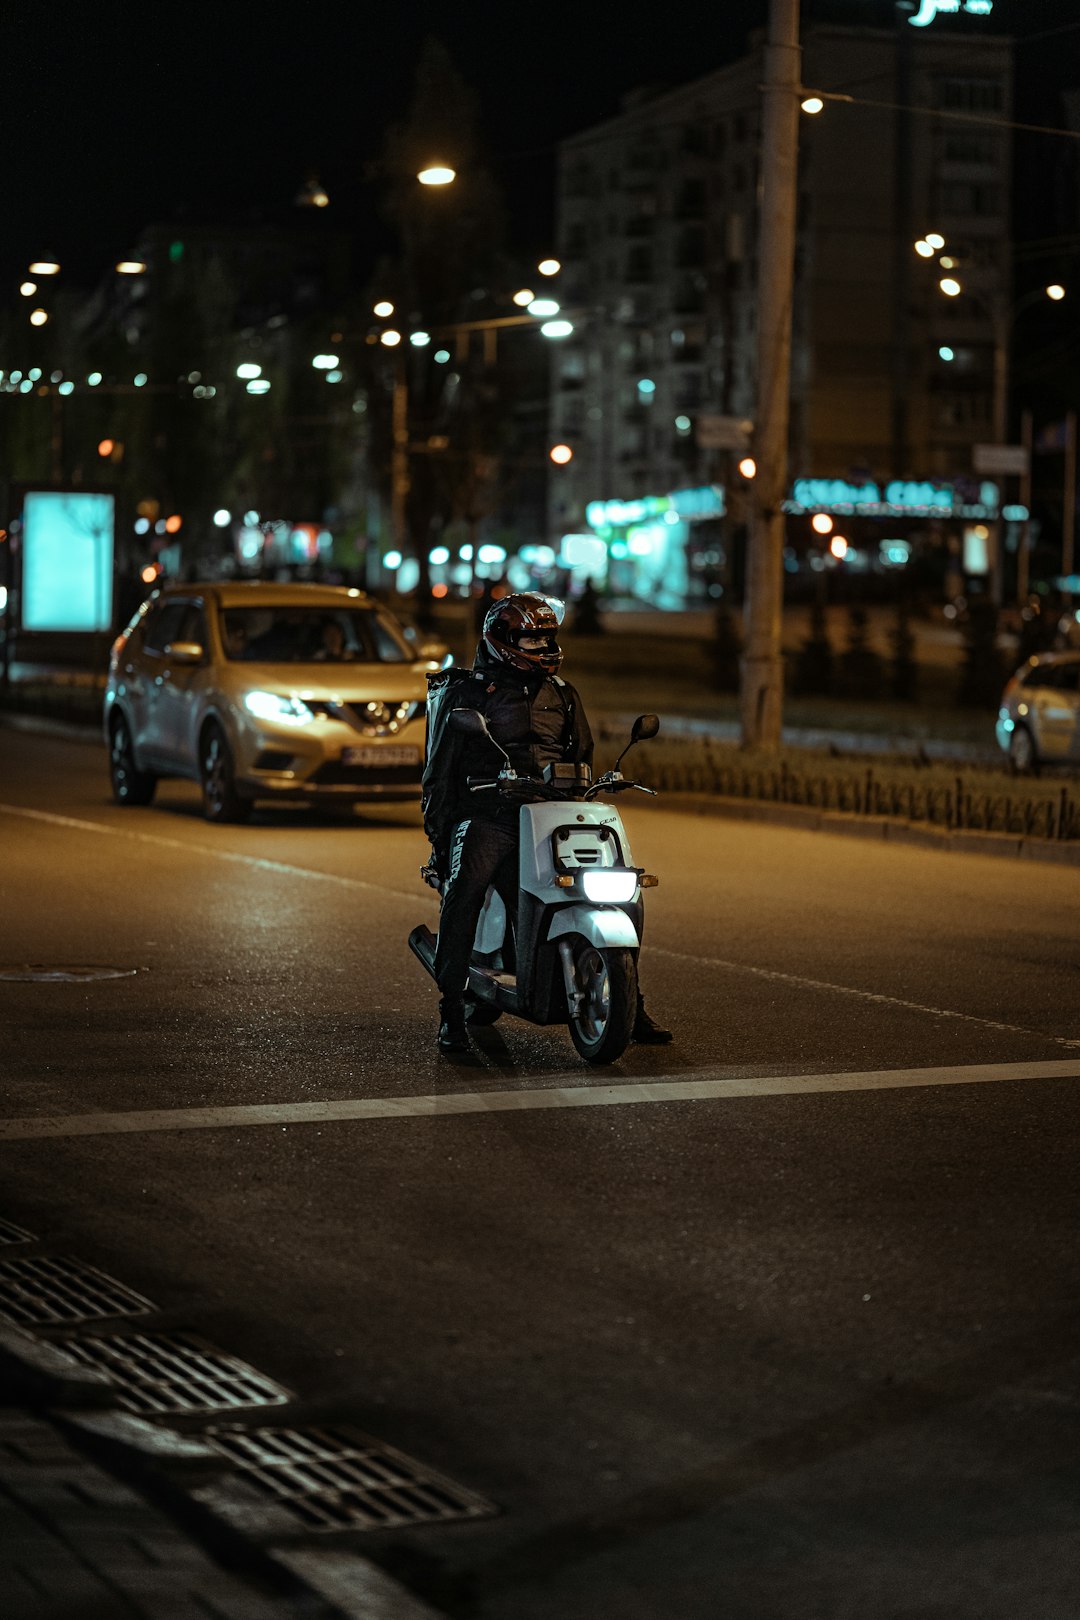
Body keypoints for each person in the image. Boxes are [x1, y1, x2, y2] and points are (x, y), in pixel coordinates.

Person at [422, 592, 672, 1054]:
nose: (543, 648)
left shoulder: (562, 695)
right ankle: (451, 1010)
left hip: (552, 816)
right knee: (466, 893)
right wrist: (441, 840)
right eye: (532, 640)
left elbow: (582, 759)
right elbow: (439, 775)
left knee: (621, 888)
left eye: (547, 638)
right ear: (502, 640)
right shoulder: (468, 694)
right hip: (491, 817)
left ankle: (628, 1000)